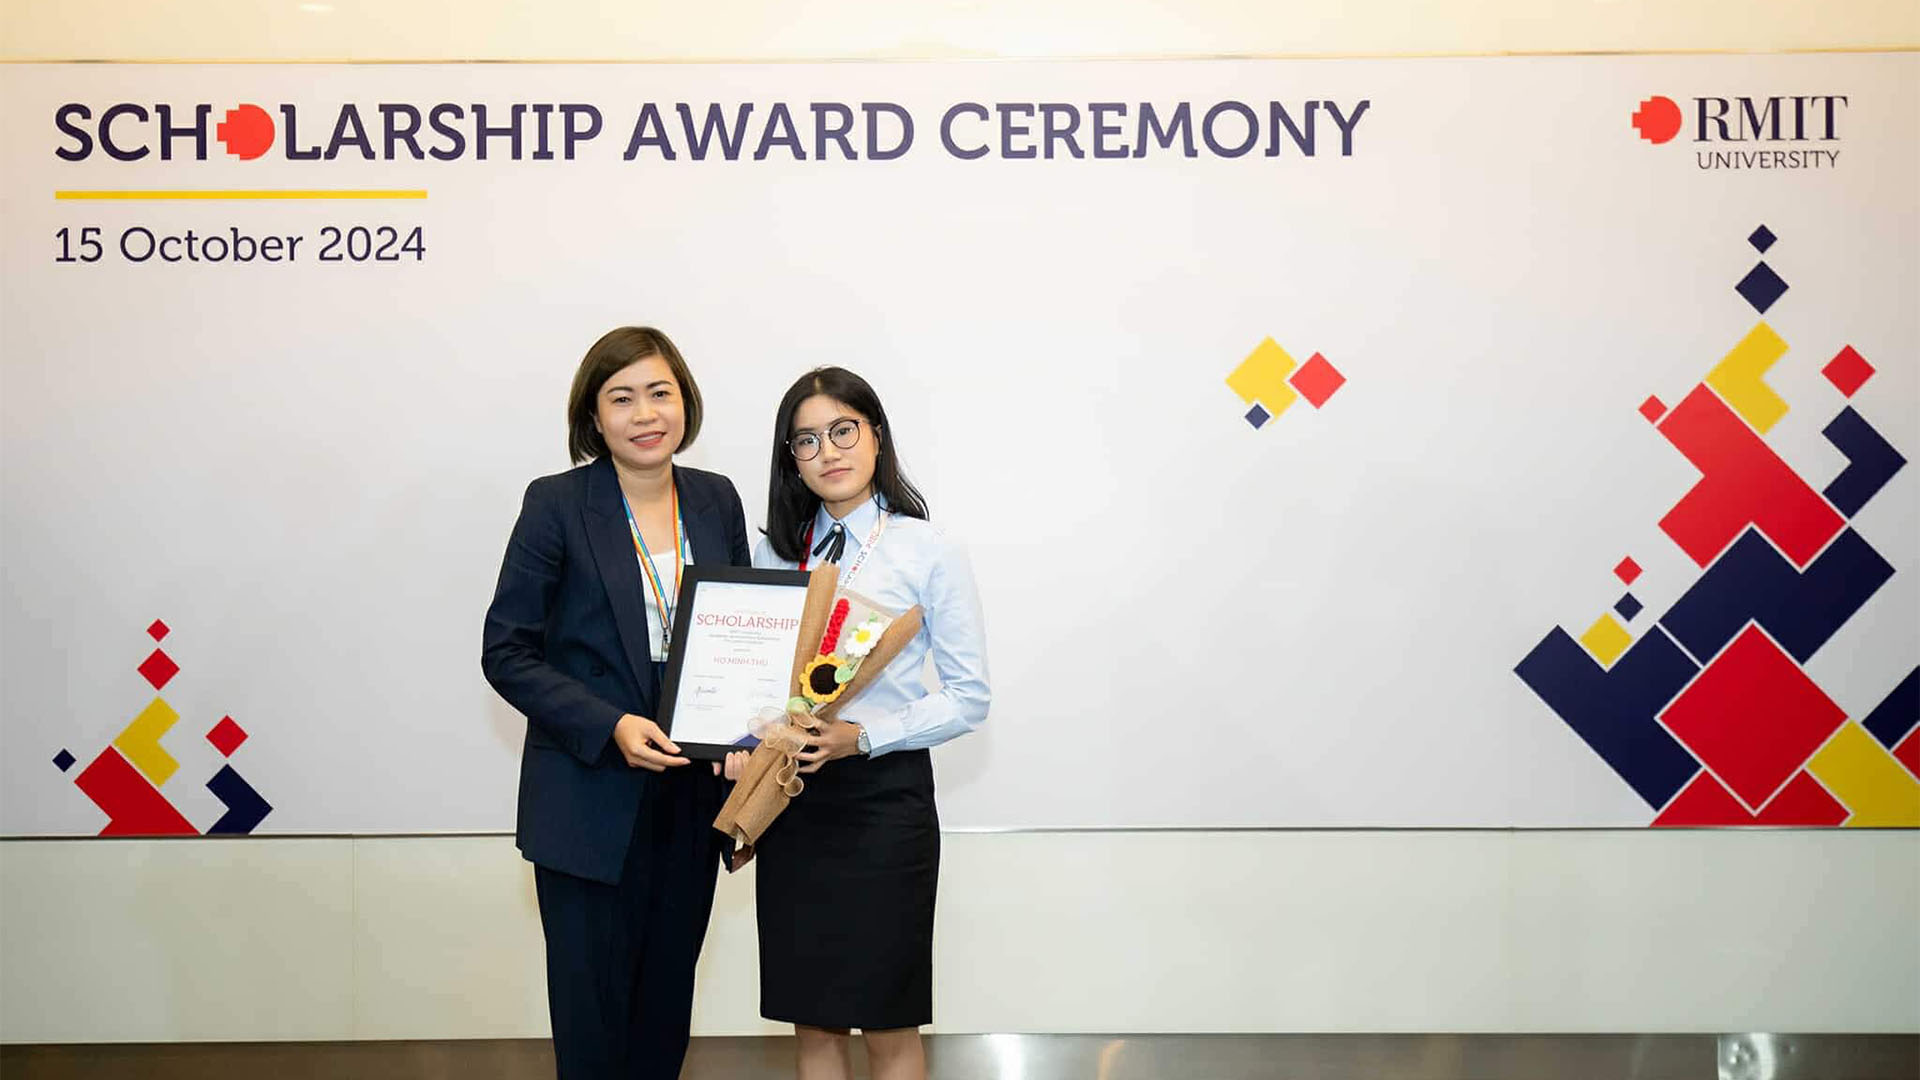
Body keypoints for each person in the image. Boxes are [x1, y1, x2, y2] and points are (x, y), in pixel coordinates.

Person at [481, 326, 750, 1080]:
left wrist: (746, 729)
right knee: (593, 1022)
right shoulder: (557, 505)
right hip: (589, 800)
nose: (645, 413)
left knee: (665, 1014)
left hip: (693, 801)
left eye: (660, 392)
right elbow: (506, 652)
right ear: (593, 417)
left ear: (684, 401)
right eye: (622, 397)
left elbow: (736, 633)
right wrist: (612, 725)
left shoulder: (715, 499)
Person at [745, 366, 991, 1080]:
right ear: (790, 460)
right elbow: (754, 684)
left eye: (843, 430)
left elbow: (970, 697)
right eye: (806, 441)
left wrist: (865, 738)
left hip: (887, 804)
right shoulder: (773, 554)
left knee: (889, 1023)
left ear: (876, 436)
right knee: (812, 1020)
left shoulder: (927, 548)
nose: (829, 451)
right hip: (792, 804)